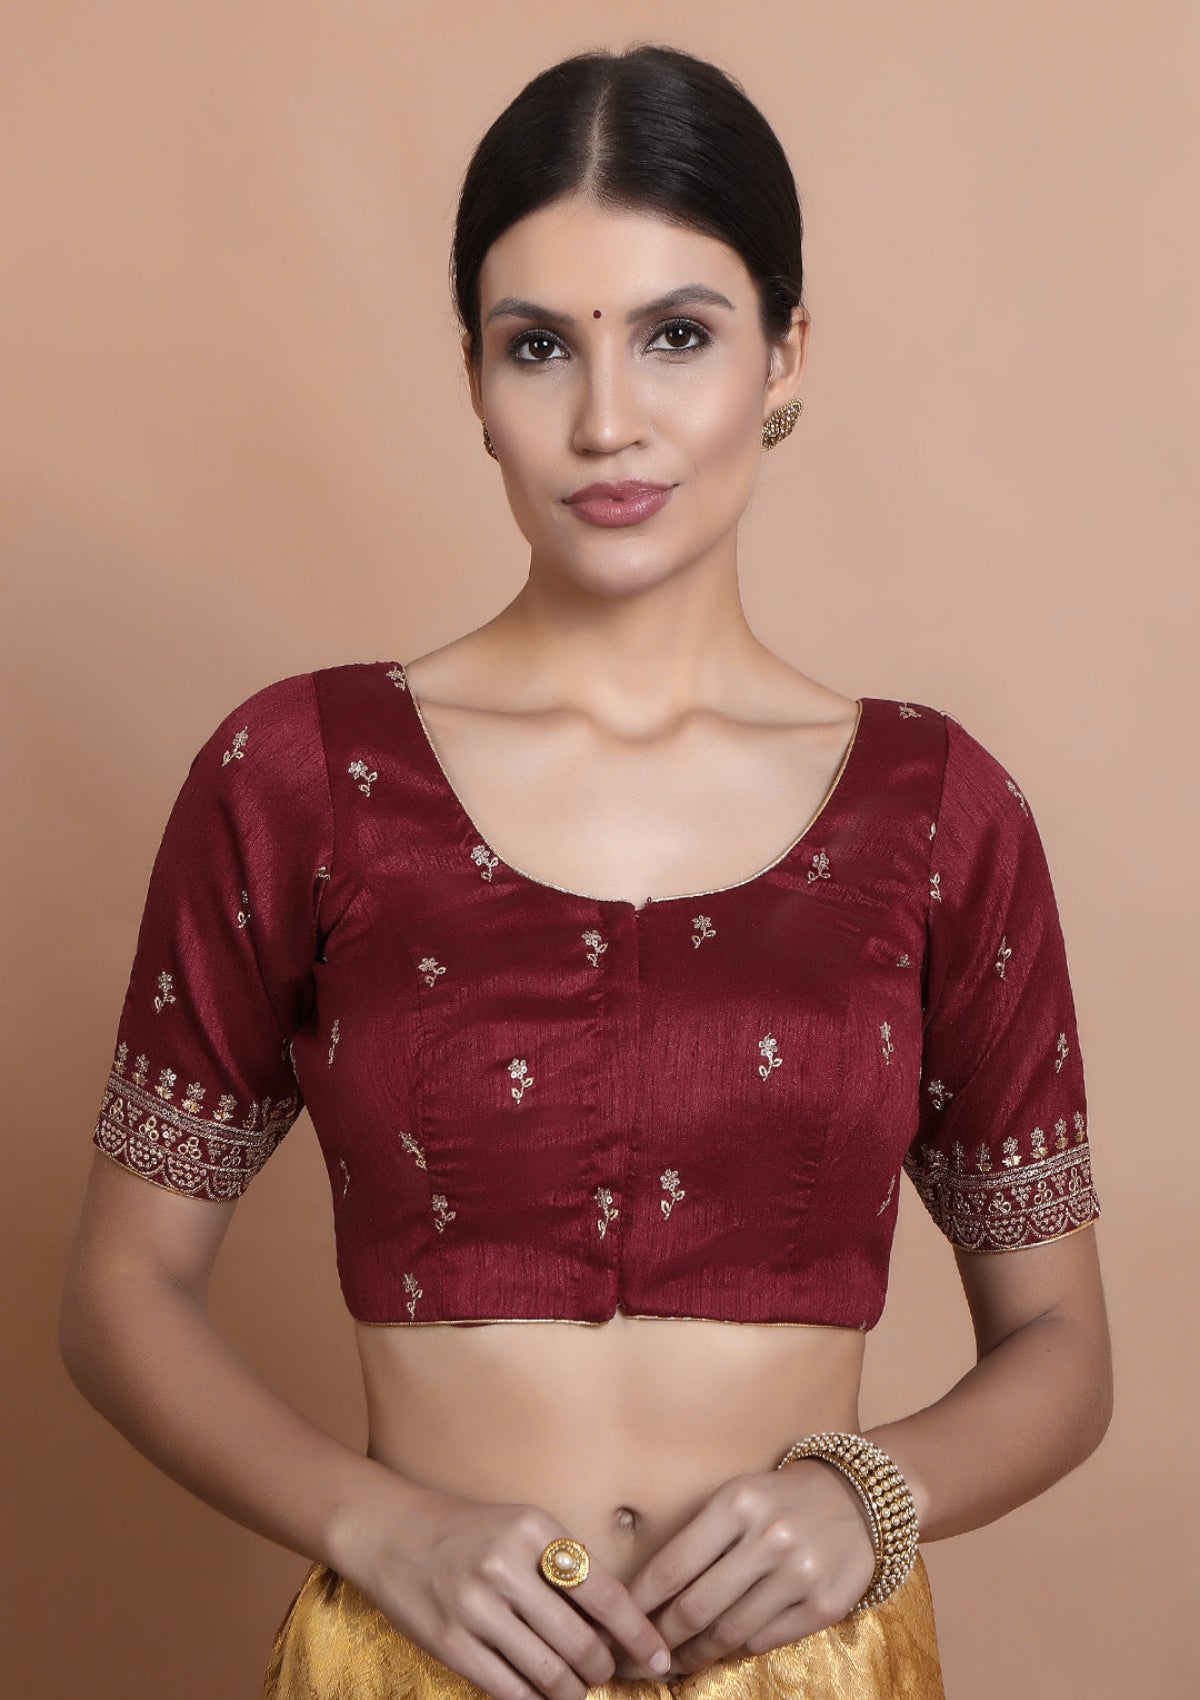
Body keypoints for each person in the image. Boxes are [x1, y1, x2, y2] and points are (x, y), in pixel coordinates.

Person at [58, 41, 1112, 1700]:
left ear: (785, 353)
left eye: (679, 335)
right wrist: (378, 1524)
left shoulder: (935, 811)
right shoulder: (302, 778)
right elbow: (121, 1292)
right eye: (539, 344)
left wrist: (874, 1494)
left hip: (814, 1677)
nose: (608, 420)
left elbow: (1062, 1350)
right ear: (475, 382)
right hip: (412, 1666)